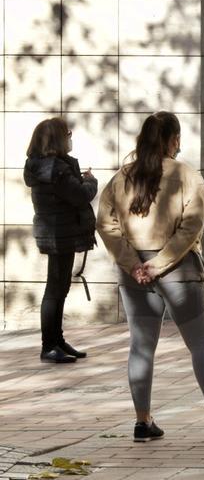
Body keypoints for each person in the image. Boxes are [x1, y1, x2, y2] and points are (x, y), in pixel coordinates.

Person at [98, 111, 204, 442]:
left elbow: (106, 224)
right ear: (173, 140)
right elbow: (192, 224)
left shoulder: (122, 177)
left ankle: (143, 421)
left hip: (134, 273)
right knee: (201, 344)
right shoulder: (186, 175)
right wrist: (161, 262)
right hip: (179, 271)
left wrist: (132, 263)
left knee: (141, 345)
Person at [24, 118, 97, 363]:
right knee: (55, 290)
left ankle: (57, 340)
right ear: (57, 138)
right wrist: (90, 181)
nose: (70, 136)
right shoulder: (56, 169)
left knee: (59, 288)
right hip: (60, 234)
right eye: (67, 133)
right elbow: (80, 195)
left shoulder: (45, 166)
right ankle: (49, 345)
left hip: (56, 232)